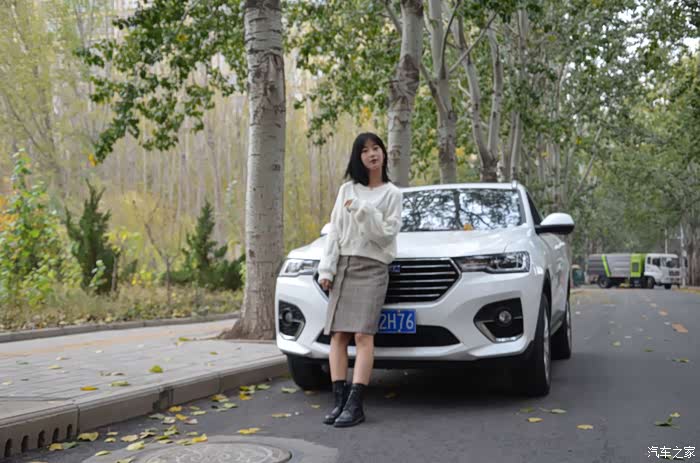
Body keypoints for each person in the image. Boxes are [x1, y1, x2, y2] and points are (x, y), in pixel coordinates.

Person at [317, 132, 403, 428]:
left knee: (363, 335)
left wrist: (364, 210)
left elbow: (386, 236)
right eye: (364, 150)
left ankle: (356, 404)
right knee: (338, 335)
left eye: (376, 148)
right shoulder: (347, 190)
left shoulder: (392, 194)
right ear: (358, 157)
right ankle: (339, 401)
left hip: (373, 266)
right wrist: (327, 269)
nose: (371, 154)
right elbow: (335, 231)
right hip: (344, 264)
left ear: (383, 153)